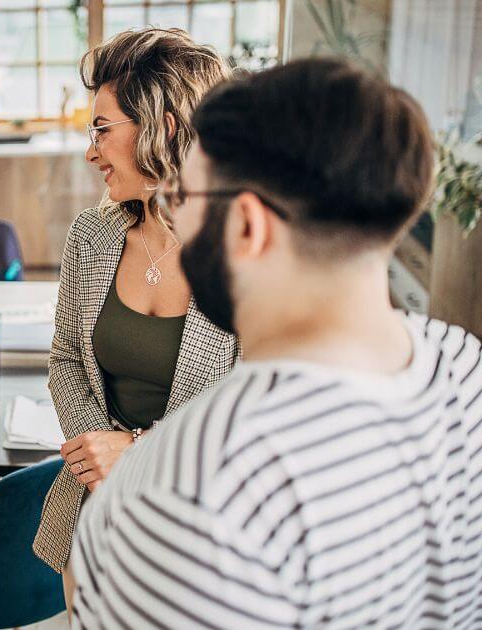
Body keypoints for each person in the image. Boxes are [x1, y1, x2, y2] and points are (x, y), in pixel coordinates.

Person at [69, 57, 482, 628]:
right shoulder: (465, 367)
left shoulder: (182, 487)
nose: (173, 220)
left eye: (182, 198)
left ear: (246, 226)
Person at [34, 28, 239, 593]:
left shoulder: (247, 254)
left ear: (164, 128)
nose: (90, 150)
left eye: (102, 129)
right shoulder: (90, 234)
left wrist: (140, 454)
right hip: (95, 525)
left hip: (202, 534)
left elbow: (257, 412)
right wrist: (102, 466)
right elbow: (67, 360)